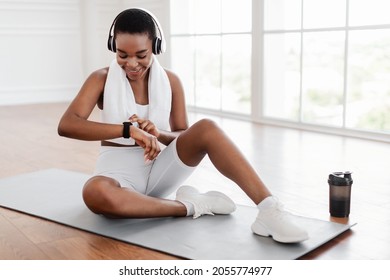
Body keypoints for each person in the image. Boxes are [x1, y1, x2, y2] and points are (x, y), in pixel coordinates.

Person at [58, 8, 308, 243]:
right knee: (94, 193)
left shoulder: (171, 80)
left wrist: (157, 132)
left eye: (141, 55)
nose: (132, 64)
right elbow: (68, 124)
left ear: (156, 47)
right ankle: (193, 206)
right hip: (117, 173)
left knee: (207, 127)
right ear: (114, 48)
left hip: (160, 169)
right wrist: (128, 130)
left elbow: (182, 134)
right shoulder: (100, 78)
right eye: (122, 55)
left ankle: (269, 211)